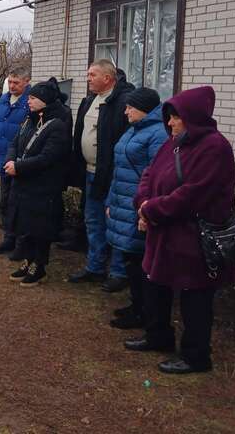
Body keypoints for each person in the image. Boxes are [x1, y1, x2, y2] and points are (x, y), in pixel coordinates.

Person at [123, 87, 235, 375]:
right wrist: (143, 202)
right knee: (155, 282)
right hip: (165, 231)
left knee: (194, 294)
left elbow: (193, 194)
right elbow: (150, 173)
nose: (170, 124)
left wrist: (151, 210)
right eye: (169, 118)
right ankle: (158, 335)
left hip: (195, 237)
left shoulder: (215, 147)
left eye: (176, 118)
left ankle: (196, 355)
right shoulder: (174, 143)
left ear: (193, 117)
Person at [68, 60, 135, 290]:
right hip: (90, 172)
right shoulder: (89, 101)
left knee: (115, 223)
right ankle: (95, 267)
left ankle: (118, 272)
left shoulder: (123, 102)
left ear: (107, 78)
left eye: (92, 74)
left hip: (114, 176)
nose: (88, 78)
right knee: (93, 220)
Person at [105, 88, 168, 329]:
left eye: (130, 107)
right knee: (131, 258)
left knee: (141, 261)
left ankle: (145, 311)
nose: (126, 110)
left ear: (143, 109)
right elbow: (118, 168)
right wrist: (111, 200)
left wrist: (147, 209)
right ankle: (136, 304)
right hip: (123, 201)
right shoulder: (133, 129)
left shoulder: (158, 134)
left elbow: (158, 175)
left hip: (140, 206)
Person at [5, 78, 72, 287]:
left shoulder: (57, 126)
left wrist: (19, 167)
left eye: (33, 98)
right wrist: (10, 159)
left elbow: (47, 157)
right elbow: (15, 142)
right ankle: (27, 260)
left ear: (45, 100)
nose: (29, 101)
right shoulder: (30, 119)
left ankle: (39, 266)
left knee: (40, 227)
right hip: (24, 183)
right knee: (25, 225)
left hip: (43, 186)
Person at [0, 69, 31, 256]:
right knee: (5, 201)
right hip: (2, 159)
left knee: (19, 204)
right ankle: (8, 238)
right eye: (10, 82)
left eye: (16, 83)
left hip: (20, 163)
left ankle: (21, 243)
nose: (12, 86)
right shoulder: (3, 100)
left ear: (26, 82)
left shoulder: (30, 102)